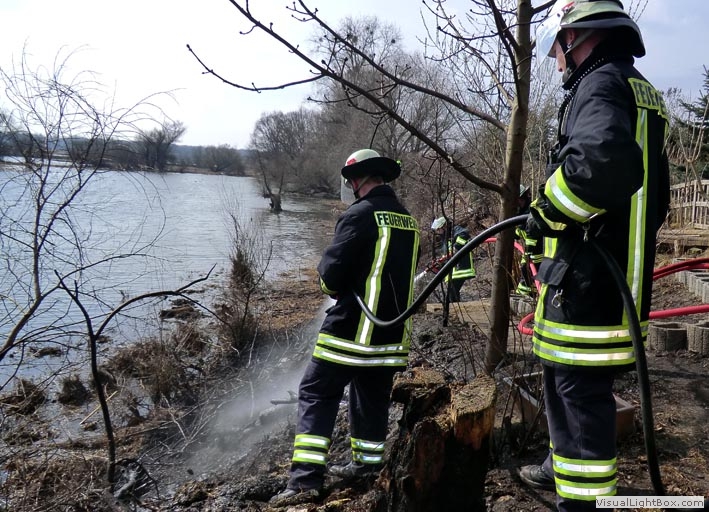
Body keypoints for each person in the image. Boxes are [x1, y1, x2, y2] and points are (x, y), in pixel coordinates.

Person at [518, 1, 670, 511]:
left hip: (592, 285)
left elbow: (599, 166)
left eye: (557, 49)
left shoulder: (600, 83)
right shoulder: (639, 89)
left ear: (576, 38)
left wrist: (545, 211)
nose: (557, 63)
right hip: (621, 280)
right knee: (569, 387)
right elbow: (656, 196)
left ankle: (580, 501)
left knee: (579, 396)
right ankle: (559, 467)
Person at [270, 149, 420, 505]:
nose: (351, 186)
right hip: (390, 338)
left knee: (316, 393)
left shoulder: (359, 215)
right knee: (371, 400)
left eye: (351, 180)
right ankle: (368, 468)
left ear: (358, 180)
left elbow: (331, 279)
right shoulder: (408, 221)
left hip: (351, 332)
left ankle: (305, 481)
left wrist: (328, 279)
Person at [430, 217, 476, 303]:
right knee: (452, 293)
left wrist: (456, 246)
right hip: (453, 271)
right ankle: (455, 311)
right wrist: (439, 265)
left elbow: (464, 234)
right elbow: (447, 256)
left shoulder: (455, 230)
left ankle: (455, 311)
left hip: (460, 267)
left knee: (452, 292)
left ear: (444, 226)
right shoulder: (445, 238)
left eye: (439, 229)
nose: (438, 232)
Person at [514, 184, 539, 297]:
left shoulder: (531, 214)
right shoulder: (523, 215)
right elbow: (521, 233)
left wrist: (529, 253)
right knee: (525, 278)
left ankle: (531, 302)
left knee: (530, 275)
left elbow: (532, 236)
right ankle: (525, 301)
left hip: (538, 256)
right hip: (531, 255)